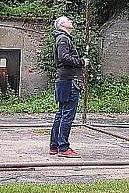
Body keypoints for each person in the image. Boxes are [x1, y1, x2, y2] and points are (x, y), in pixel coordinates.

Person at [49, 15, 87, 157]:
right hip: (69, 81)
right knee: (67, 115)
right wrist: (81, 62)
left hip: (64, 80)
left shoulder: (61, 38)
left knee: (61, 113)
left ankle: (55, 146)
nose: (71, 21)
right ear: (62, 24)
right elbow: (64, 57)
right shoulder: (63, 38)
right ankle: (63, 148)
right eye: (68, 20)